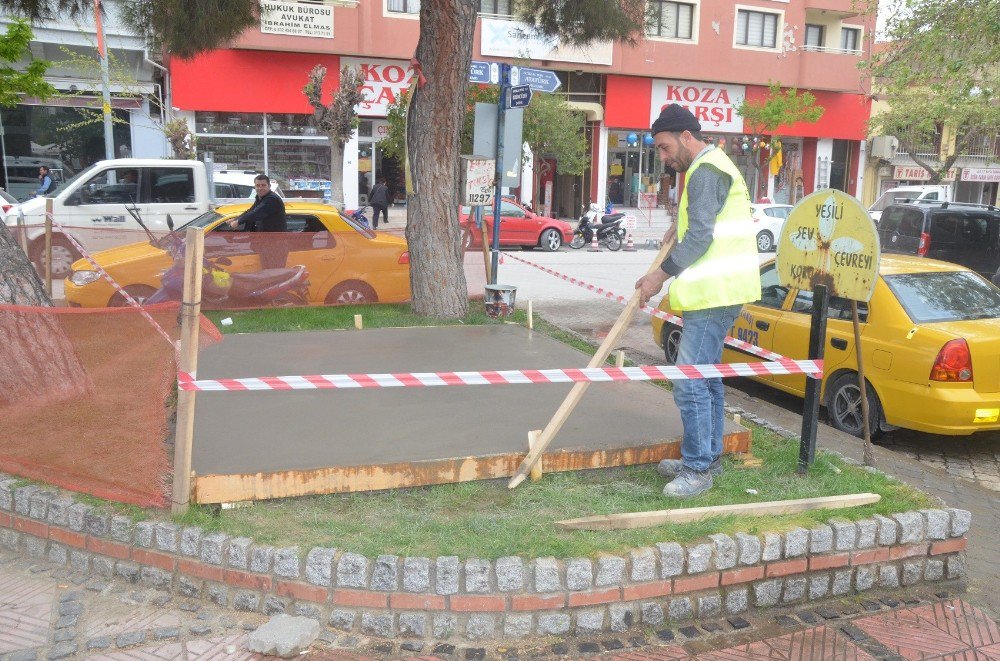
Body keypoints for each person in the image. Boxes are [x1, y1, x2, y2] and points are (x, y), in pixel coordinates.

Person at [634, 104, 761, 497]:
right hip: (720, 291)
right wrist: (680, 222)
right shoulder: (714, 165)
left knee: (689, 381)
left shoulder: (706, 171)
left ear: (687, 137)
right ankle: (708, 454)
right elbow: (706, 223)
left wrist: (658, 275)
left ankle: (697, 469)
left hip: (715, 293)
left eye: (665, 147)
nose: (663, 157)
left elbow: (702, 238)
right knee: (705, 378)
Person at [228, 174, 287, 269]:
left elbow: (256, 213)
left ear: (269, 186)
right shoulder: (260, 198)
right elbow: (250, 211)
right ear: (254, 187)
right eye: (258, 185)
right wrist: (236, 219)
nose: (260, 188)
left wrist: (238, 222)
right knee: (266, 273)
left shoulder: (272, 199)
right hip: (266, 244)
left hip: (276, 246)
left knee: (274, 274)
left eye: (263, 185)